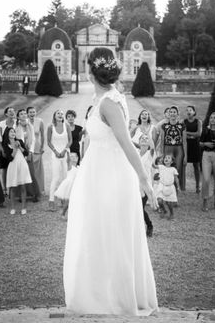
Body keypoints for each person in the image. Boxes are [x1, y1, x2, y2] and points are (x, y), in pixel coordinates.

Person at [64, 47, 157, 315]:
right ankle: (101, 294)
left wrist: (144, 180)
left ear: (91, 72)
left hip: (110, 178)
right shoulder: (106, 98)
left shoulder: (109, 103)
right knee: (98, 235)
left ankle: (115, 298)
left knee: (109, 234)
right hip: (97, 174)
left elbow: (126, 144)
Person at [2, 127, 32, 215]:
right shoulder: (5, 144)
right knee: (13, 187)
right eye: (11, 131)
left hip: (22, 165)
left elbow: (26, 153)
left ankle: (23, 208)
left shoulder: (20, 141)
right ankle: (13, 208)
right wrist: (15, 148)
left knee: (23, 186)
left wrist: (20, 147)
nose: (13, 133)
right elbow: (10, 158)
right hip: (13, 166)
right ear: (7, 134)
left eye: (14, 131)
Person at [199, 111, 215, 211]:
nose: (212, 119)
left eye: (214, 118)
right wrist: (206, 144)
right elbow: (200, 143)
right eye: (211, 118)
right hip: (206, 155)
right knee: (206, 179)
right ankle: (205, 201)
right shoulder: (206, 130)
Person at [158, 106, 187, 191]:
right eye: (171, 112)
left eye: (174, 112)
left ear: (178, 114)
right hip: (168, 148)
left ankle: (177, 187)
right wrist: (162, 153)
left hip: (179, 149)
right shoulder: (164, 126)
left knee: (178, 168)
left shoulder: (182, 126)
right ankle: (167, 186)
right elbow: (162, 141)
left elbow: (185, 142)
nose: (173, 114)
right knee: (168, 167)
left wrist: (186, 155)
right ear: (168, 114)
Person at [47, 109, 71, 210]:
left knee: (65, 177)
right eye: (58, 113)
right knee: (55, 177)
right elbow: (48, 142)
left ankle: (63, 199)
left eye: (61, 114)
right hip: (55, 154)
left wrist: (64, 151)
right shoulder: (50, 127)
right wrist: (56, 152)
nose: (60, 115)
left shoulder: (67, 126)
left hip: (65, 154)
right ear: (54, 115)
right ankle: (51, 201)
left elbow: (70, 140)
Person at [16, 109, 39, 201]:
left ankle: (34, 194)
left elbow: (33, 139)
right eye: (21, 114)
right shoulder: (16, 127)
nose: (24, 115)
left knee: (31, 173)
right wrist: (23, 153)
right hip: (20, 153)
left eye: (25, 113)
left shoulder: (30, 125)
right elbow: (17, 141)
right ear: (18, 117)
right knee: (21, 174)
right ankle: (22, 195)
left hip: (29, 152)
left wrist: (30, 152)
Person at [54, 152, 79, 218]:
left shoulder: (79, 167)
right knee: (68, 202)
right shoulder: (70, 166)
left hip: (75, 185)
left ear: (77, 158)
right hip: (69, 185)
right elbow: (68, 160)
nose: (73, 158)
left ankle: (70, 213)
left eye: (74, 156)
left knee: (73, 201)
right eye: (71, 157)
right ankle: (63, 213)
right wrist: (67, 153)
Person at [27, 106, 46, 195]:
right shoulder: (25, 122)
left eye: (33, 112)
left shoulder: (40, 121)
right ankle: (30, 191)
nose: (32, 114)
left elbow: (42, 135)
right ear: (27, 113)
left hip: (37, 148)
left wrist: (42, 147)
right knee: (28, 170)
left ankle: (39, 189)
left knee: (38, 170)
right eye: (30, 112)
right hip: (28, 148)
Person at [183, 105, 202, 193]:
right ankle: (182, 186)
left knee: (196, 166)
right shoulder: (184, 121)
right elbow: (182, 134)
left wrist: (187, 133)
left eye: (190, 110)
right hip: (186, 145)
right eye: (187, 110)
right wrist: (191, 134)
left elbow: (199, 134)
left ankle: (198, 186)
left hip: (195, 145)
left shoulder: (198, 122)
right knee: (183, 165)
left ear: (194, 112)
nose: (188, 111)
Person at [138, 134, 154, 237]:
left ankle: (149, 225)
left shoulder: (150, 154)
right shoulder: (135, 153)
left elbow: (153, 147)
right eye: (142, 138)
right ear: (139, 142)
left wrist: (148, 134)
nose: (144, 140)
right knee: (134, 208)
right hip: (134, 185)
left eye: (146, 139)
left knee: (140, 208)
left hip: (145, 186)